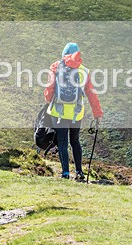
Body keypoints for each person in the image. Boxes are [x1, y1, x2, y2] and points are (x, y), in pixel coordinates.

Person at [43, 43, 103, 181]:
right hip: (77, 114)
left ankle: (65, 173)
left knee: (62, 142)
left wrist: (48, 100)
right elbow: (91, 94)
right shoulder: (84, 71)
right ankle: (79, 172)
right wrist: (97, 113)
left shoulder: (55, 67)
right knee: (75, 141)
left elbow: (49, 88)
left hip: (59, 113)